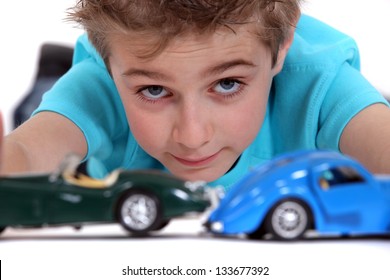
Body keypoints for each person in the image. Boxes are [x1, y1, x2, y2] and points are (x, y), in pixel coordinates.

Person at [2, 0, 390, 190]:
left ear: (281, 48)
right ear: (107, 62)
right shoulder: (104, 78)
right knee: (46, 99)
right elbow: (25, 156)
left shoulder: (320, 81)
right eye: (154, 90)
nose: (192, 136)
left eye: (227, 84)